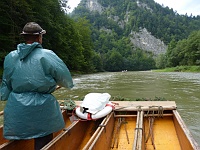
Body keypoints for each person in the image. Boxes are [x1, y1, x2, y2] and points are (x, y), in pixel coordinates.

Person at [0, 22, 74, 149]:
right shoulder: (48, 55)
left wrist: (5, 96)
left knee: (17, 138)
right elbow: (65, 79)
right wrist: (64, 84)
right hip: (42, 107)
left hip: (16, 109)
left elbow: (5, 86)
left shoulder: (10, 57)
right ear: (40, 37)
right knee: (43, 137)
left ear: (24, 37)